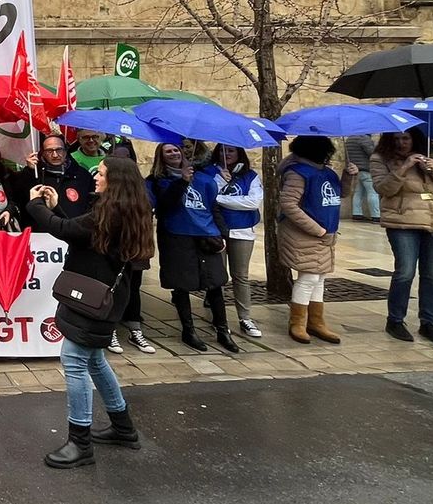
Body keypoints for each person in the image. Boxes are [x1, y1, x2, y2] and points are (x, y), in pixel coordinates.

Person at [27, 156, 152, 469]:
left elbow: (64, 229)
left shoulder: (111, 211)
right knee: (94, 360)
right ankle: (123, 427)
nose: (96, 177)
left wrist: (36, 205)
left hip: (93, 297)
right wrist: (56, 206)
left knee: (74, 361)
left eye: (103, 174)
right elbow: (79, 232)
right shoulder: (124, 209)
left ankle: (79, 442)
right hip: (104, 295)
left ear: (116, 181)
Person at [370, 130, 433, 344]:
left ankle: (429, 322)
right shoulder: (380, 158)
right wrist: (404, 167)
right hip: (402, 222)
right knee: (405, 272)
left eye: (406, 139)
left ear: (416, 139)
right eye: (397, 139)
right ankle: (395, 320)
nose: (402, 143)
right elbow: (383, 188)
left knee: (432, 274)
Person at [148, 142, 238, 354]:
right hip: (177, 238)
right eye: (168, 151)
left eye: (176, 150)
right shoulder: (158, 181)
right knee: (182, 285)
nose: (174, 154)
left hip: (206, 236)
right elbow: (163, 206)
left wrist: (223, 233)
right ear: (161, 157)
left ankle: (223, 330)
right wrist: (181, 182)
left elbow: (213, 207)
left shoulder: (204, 179)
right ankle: (188, 330)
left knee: (214, 284)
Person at [276, 136, 355, 344]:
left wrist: (348, 176)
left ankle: (316, 322)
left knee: (319, 277)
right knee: (309, 277)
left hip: (324, 233)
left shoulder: (326, 172)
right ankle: (298, 323)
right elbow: (289, 205)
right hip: (305, 233)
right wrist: (318, 230)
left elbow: (342, 194)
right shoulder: (297, 173)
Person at [207, 144, 264, 339]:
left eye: (231, 151)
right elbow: (209, 198)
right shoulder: (210, 173)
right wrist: (222, 185)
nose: (227, 154)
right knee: (218, 277)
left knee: (241, 276)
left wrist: (222, 198)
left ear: (239, 153)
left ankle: (245, 317)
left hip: (243, 231)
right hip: (217, 231)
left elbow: (253, 203)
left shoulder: (251, 176)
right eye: (223, 150)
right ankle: (219, 319)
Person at [344, 133, 380, 221]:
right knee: (372, 192)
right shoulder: (364, 138)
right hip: (366, 169)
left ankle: (357, 214)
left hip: (355, 170)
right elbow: (372, 153)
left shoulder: (349, 139)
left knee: (358, 193)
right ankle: (376, 215)